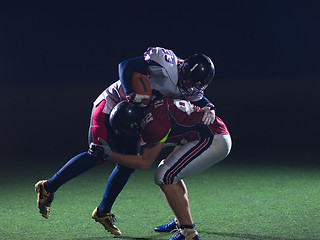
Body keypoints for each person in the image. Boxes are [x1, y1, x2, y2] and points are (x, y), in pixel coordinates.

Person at [35, 47, 217, 236]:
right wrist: (132, 93)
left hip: (134, 116)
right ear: (184, 69)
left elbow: (201, 100)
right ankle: (48, 187)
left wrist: (210, 108)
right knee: (97, 154)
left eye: (195, 84)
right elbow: (125, 65)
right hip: (112, 103)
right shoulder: (166, 64)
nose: (189, 86)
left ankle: (103, 211)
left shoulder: (191, 88)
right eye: (188, 81)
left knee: (127, 164)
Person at [90, 97, 232, 240]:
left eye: (125, 130)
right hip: (202, 134)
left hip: (212, 138)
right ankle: (181, 221)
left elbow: (144, 162)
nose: (126, 134)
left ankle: (188, 233)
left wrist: (110, 155)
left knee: (165, 176)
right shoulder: (151, 112)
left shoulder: (153, 124)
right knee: (167, 171)